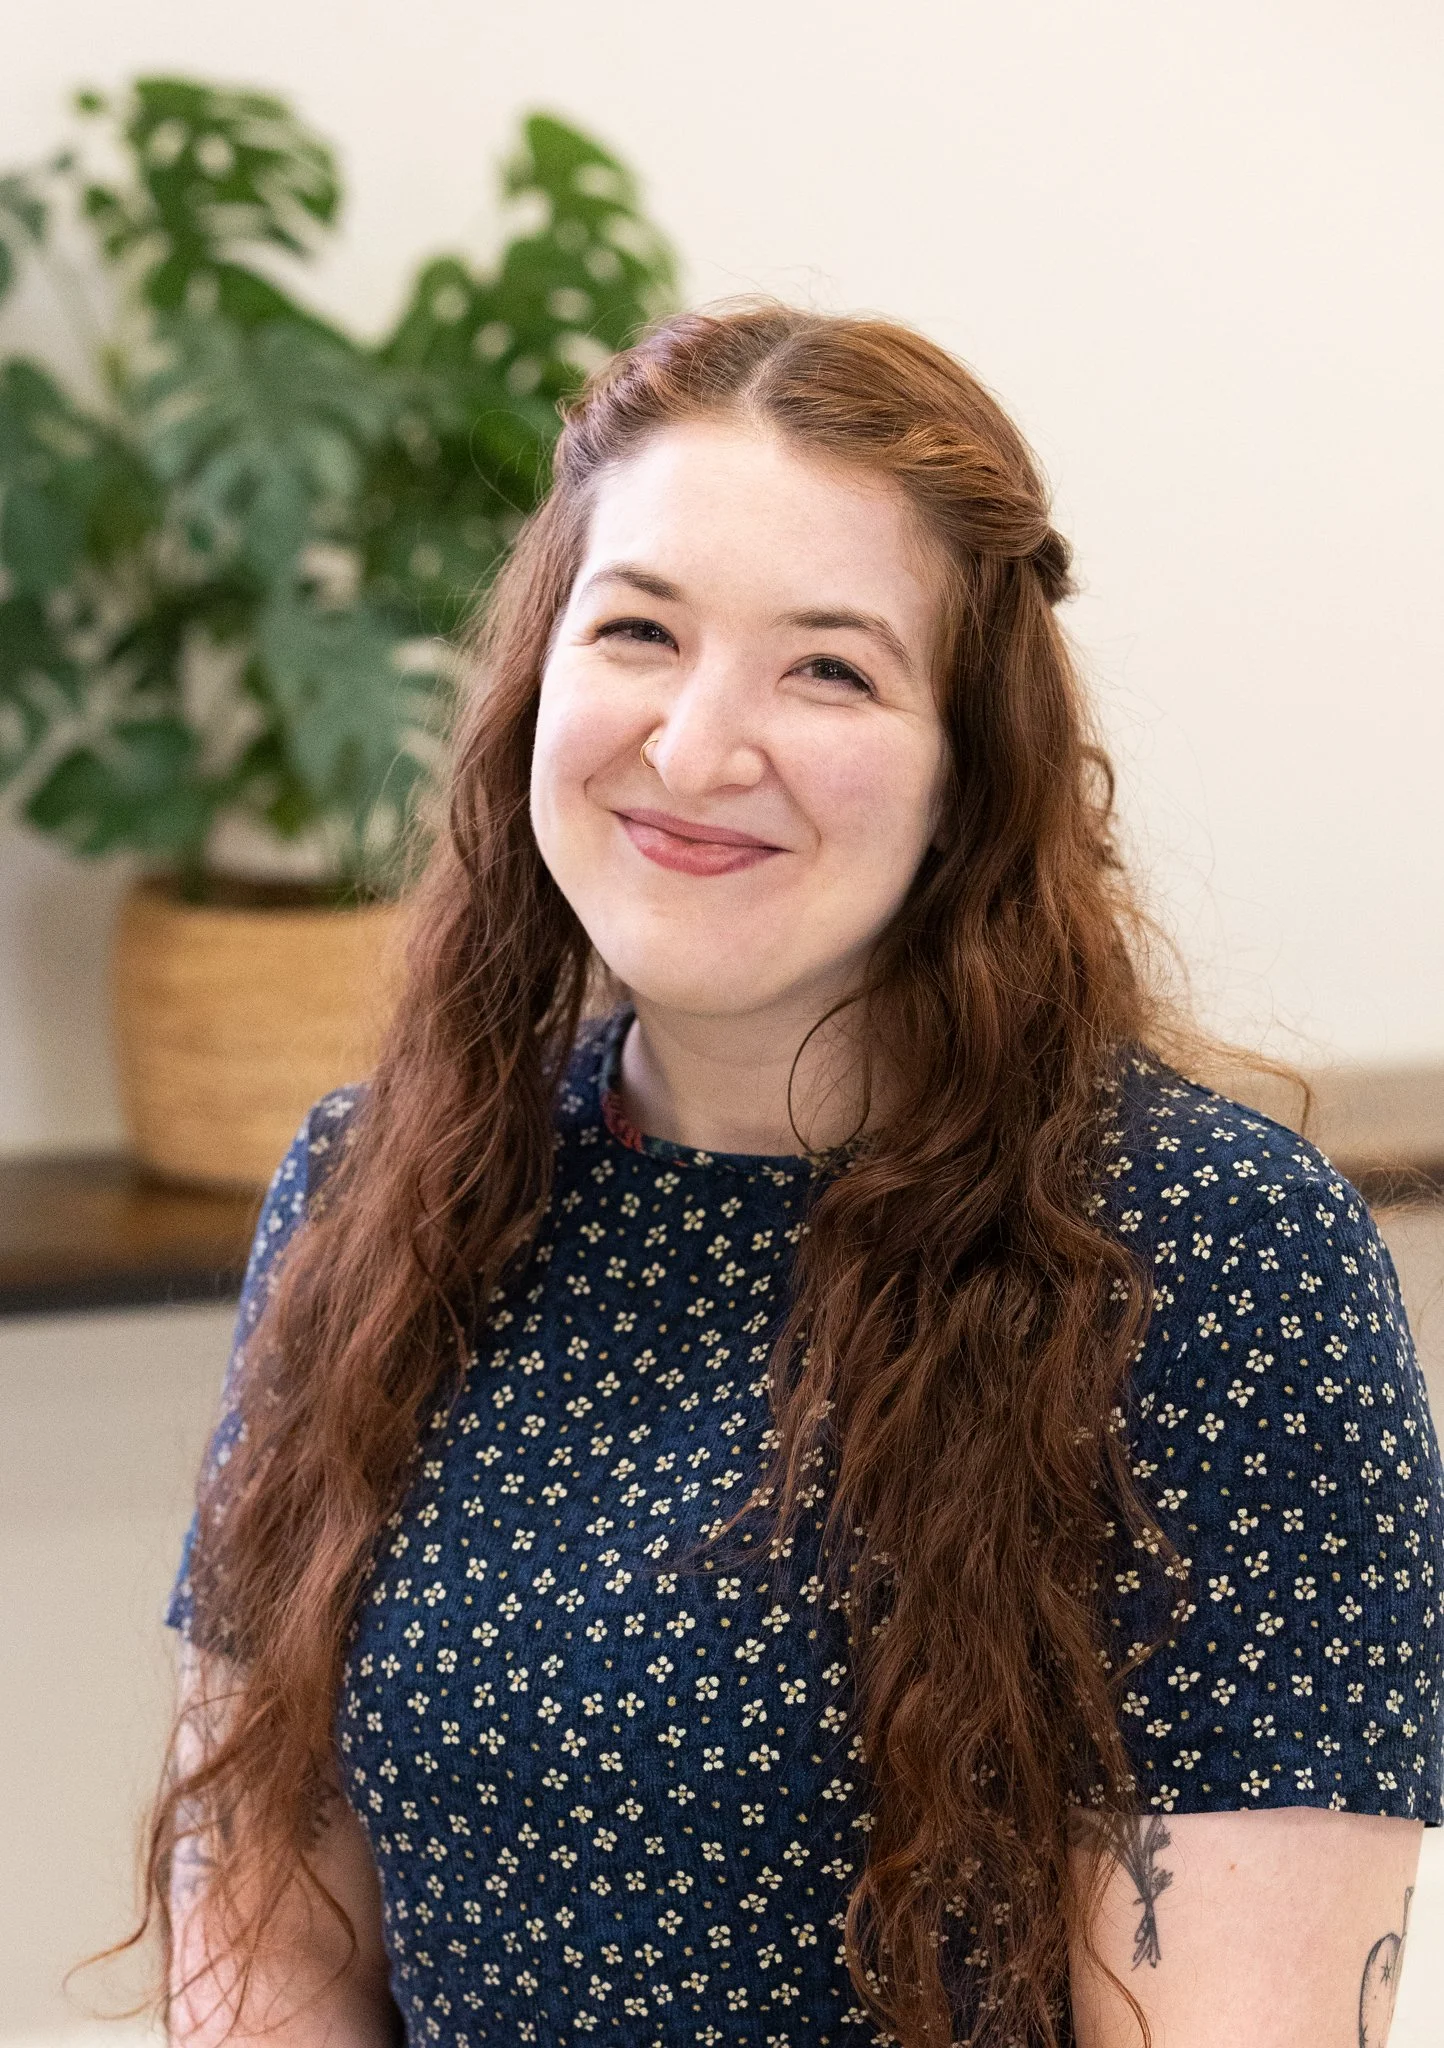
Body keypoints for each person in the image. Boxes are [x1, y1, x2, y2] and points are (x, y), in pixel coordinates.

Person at [151, 303, 1443, 2048]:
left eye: (828, 667)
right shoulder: (372, 1185)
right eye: (637, 632)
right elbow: (263, 1951)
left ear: (967, 773)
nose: (692, 747)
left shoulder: (1209, 1256)